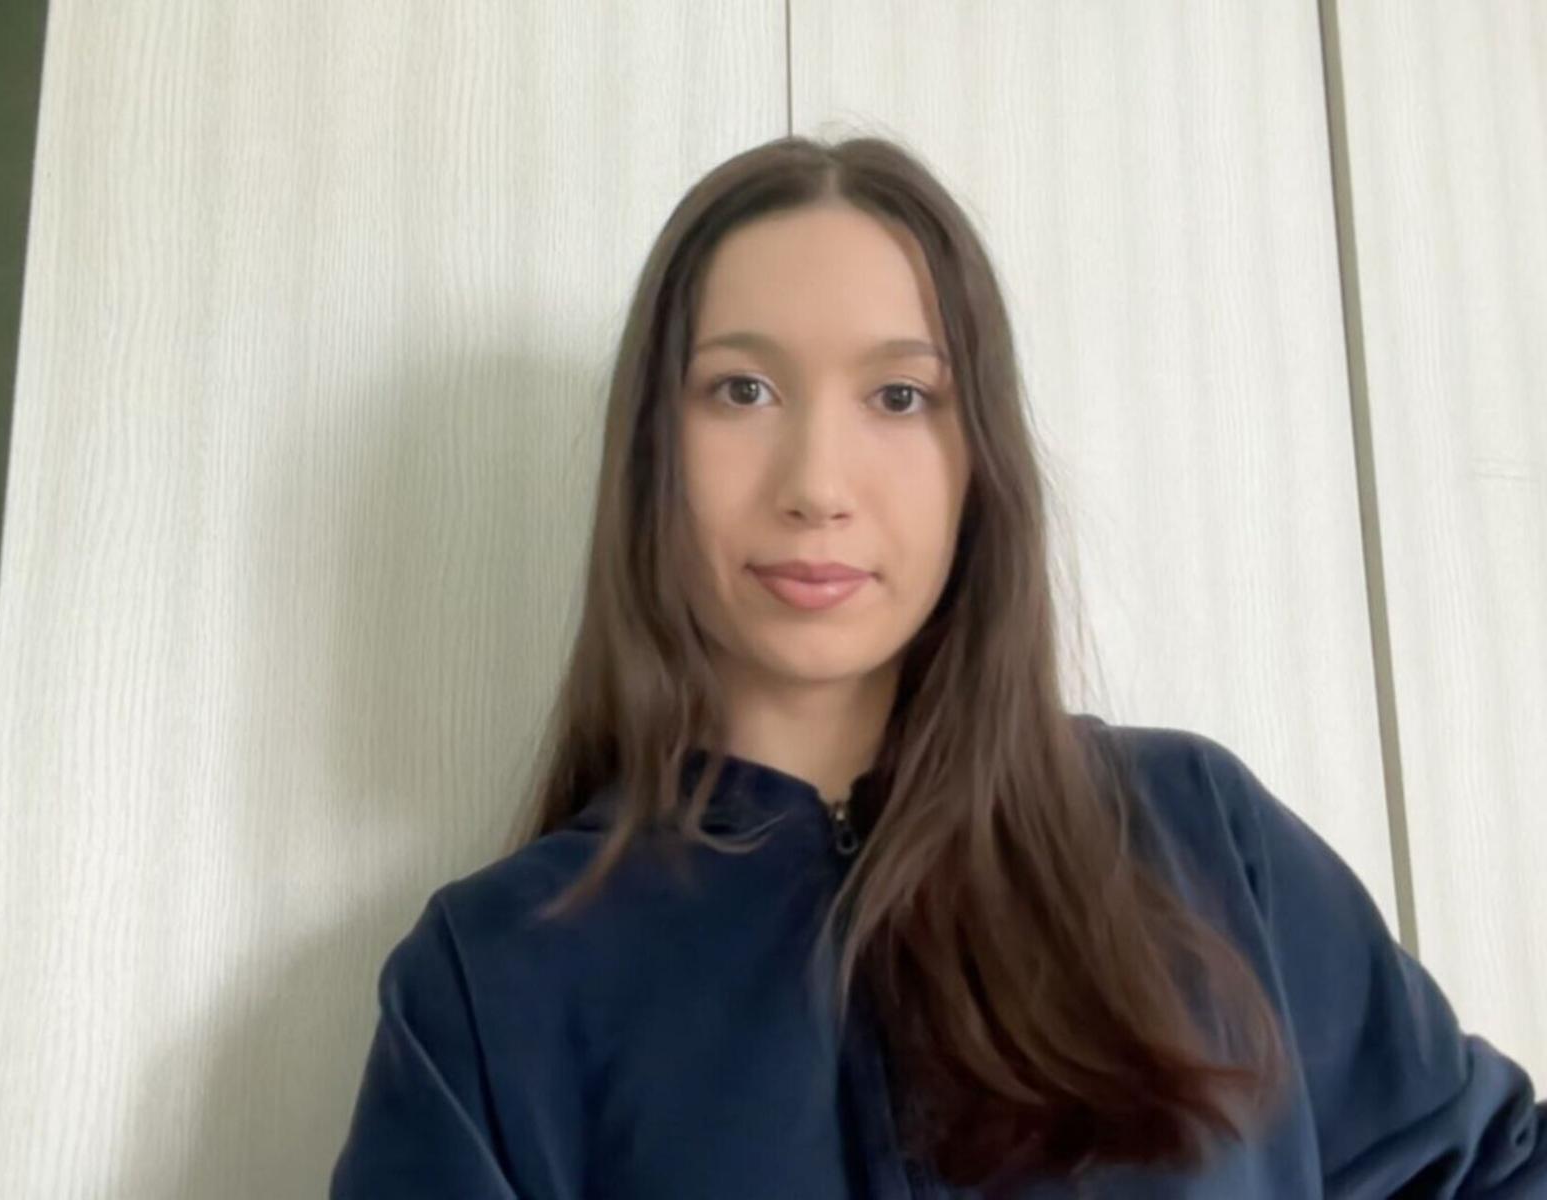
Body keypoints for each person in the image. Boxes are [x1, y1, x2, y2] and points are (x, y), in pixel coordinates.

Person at [329, 134, 1545, 1198]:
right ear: (653, 449)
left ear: (980, 461)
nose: (815, 484)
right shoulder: (492, 982)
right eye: (740, 389)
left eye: (900, 395)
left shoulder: (1199, 840)